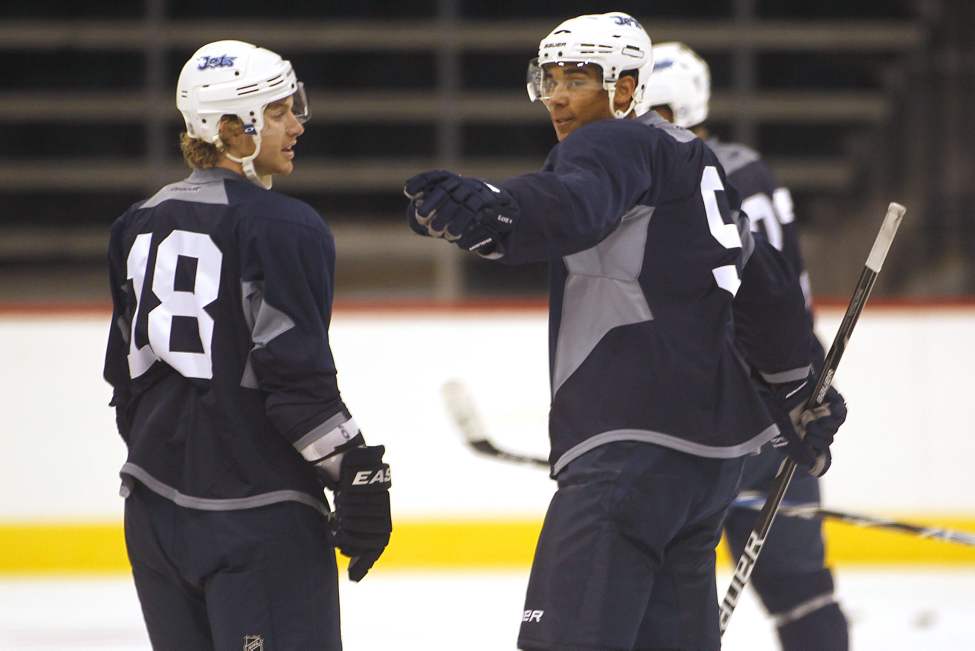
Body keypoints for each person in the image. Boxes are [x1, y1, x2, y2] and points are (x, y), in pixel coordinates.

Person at [403, 12, 846, 651]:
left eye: (577, 78)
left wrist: (498, 211)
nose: (556, 95)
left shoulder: (609, 143)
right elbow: (762, 284)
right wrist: (801, 388)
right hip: (705, 473)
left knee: (555, 640)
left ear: (627, 86)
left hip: (626, 453)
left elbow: (572, 203)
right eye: (548, 79)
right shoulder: (698, 162)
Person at [103, 40, 392, 650]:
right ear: (233, 129)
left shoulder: (135, 223)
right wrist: (357, 474)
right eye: (281, 112)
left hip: (151, 514)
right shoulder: (283, 226)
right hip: (255, 519)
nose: (297, 124)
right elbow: (296, 385)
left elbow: (125, 384)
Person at [644, 41, 850, 650]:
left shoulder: (686, 173)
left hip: (726, 409)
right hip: (781, 398)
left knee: (670, 589)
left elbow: (743, 295)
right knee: (797, 587)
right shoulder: (743, 164)